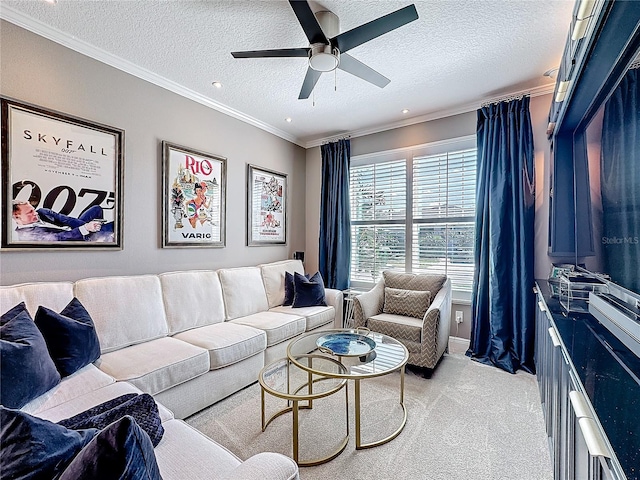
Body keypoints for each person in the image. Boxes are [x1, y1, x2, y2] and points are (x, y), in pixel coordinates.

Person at [12, 201, 114, 242]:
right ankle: (96, 238)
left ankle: (99, 236)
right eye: (29, 212)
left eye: (33, 209)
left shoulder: (42, 212)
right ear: (17, 218)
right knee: (116, 225)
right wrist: (86, 228)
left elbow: (66, 219)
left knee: (96, 209)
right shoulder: (28, 235)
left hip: (76, 229)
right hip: (74, 239)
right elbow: (60, 238)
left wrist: (88, 227)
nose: (35, 213)